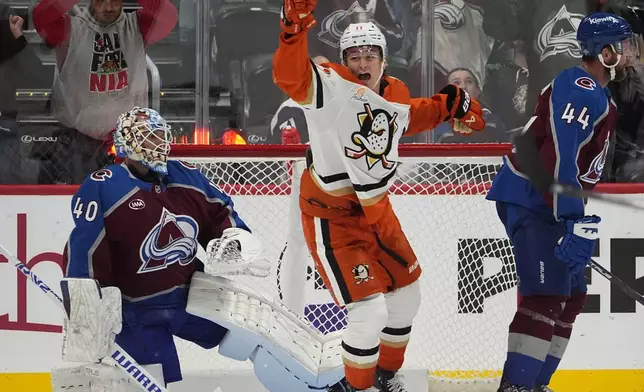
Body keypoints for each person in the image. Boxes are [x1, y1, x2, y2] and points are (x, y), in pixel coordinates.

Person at [272, 1, 486, 391]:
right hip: (331, 215)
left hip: (377, 213)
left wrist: (454, 101)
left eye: (371, 54)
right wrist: (292, 33)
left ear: (384, 61)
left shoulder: (394, 93)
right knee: (368, 313)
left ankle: (385, 377)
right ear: (344, 61)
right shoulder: (329, 86)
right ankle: (358, 387)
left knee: (407, 298)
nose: (362, 61)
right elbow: (289, 76)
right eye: (354, 55)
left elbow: (411, 115)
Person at [53, 107, 344, 392]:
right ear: (127, 143)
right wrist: (86, 306)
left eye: (159, 135)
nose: (158, 143)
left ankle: (318, 385)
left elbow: (221, 213)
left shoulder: (186, 176)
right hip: (135, 311)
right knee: (145, 382)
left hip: (190, 296)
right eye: (147, 137)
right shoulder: (105, 186)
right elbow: (85, 248)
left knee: (254, 336)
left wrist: (232, 238)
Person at [485, 13, 633, 392]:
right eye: (625, 44)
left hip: (549, 202)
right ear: (605, 51)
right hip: (532, 199)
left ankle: (535, 384)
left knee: (572, 295)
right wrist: (571, 220)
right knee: (545, 294)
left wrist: (572, 217)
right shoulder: (580, 87)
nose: (631, 51)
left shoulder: (599, 94)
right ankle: (516, 387)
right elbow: (561, 157)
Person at [32, 0, 178, 184]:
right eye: (101, 0)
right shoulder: (70, 28)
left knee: (132, 205)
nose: (108, 7)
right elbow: (41, 16)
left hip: (130, 142)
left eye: (115, 0)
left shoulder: (138, 26)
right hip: (77, 143)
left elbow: (168, 16)